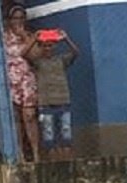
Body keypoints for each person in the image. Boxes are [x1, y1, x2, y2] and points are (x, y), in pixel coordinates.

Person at [0, 4, 38, 162]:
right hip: (11, 80)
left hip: (26, 80)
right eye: (15, 18)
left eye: (21, 18)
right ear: (9, 20)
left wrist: (25, 37)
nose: (18, 21)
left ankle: (36, 152)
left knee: (29, 115)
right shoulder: (3, 36)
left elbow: (34, 56)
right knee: (16, 118)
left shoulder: (30, 35)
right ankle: (19, 153)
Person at [28, 29, 78, 161]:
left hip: (63, 100)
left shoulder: (61, 60)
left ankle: (67, 161)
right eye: (45, 46)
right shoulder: (38, 62)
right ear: (40, 47)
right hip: (46, 103)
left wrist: (66, 39)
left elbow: (75, 52)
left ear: (55, 46)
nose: (48, 48)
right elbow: (24, 54)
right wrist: (34, 39)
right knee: (48, 134)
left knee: (66, 132)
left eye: (50, 45)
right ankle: (52, 162)